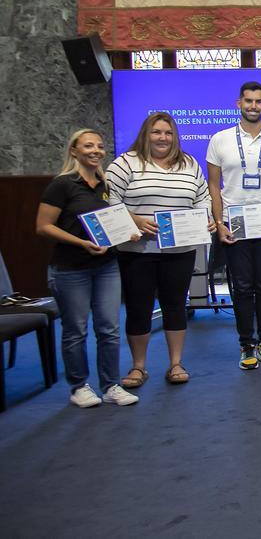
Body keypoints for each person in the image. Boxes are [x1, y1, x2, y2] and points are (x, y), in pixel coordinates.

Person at [107, 112, 214, 387]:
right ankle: (138, 367)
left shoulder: (189, 163)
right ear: (146, 134)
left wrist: (206, 218)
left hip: (180, 251)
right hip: (137, 251)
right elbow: (108, 200)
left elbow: (203, 197)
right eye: (156, 132)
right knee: (138, 308)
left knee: (175, 306)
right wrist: (134, 219)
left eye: (168, 133)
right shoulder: (126, 163)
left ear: (174, 136)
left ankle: (176, 363)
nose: (162, 137)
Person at [36, 129, 141, 407]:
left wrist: (125, 233)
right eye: (88, 146)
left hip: (106, 266)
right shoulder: (62, 184)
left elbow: (109, 223)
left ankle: (110, 385)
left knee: (109, 329)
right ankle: (79, 386)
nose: (95, 150)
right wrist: (81, 242)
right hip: (70, 269)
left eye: (99, 146)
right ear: (74, 151)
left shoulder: (104, 185)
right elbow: (43, 227)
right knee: (76, 330)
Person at [206, 81, 261, 370]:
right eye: (248, 101)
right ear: (239, 103)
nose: (253, 106)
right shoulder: (220, 140)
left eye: (259, 101)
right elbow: (213, 185)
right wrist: (219, 223)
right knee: (242, 287)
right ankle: (246, 344)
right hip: (235, 225)